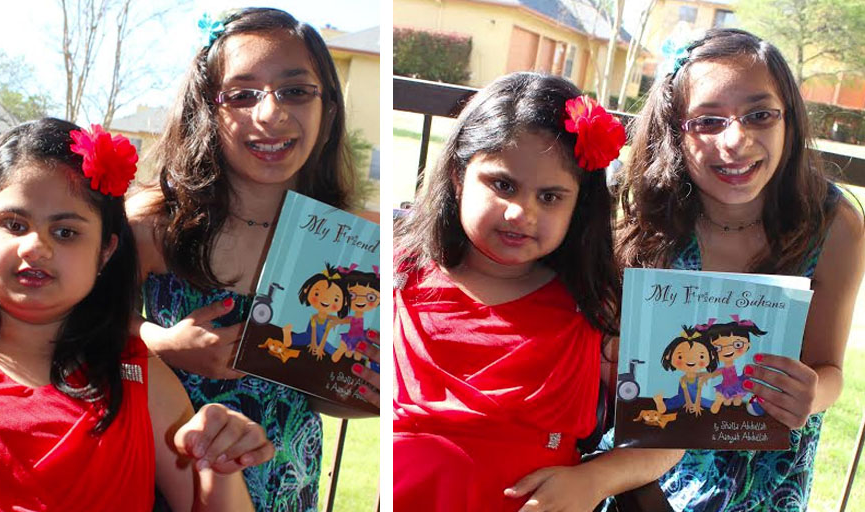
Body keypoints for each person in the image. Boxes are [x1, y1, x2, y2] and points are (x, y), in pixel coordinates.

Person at [0, 118, 274, 512]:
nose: (36, 247)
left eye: (66, 232)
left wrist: (219, 464)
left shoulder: (142, 382)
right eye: (13, 224)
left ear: (105, 251)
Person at [126, 8, 377, 511]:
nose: (271, 114)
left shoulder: (345, 244)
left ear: (327, 112)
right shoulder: (152, 224)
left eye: (296, 91)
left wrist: (360, 392)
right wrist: (165, 343)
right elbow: (80, 324)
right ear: (206, 110)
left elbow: (317, 393)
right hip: (168, 481)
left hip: (287, 486)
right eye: (241, 95)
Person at [608, 28, 865, 511]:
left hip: (764, 483)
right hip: (644, 475)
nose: (737, 140)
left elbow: (830, 369)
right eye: (707, 120)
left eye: (760, 115)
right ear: (673, 130)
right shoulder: (641, 212)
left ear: (789, 120)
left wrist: (812, 394)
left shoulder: (833, 226)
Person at [392, 72, 630, 511]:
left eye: (551, 196)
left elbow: (669, 434)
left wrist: (595, 480)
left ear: (579, 207)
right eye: (503, 185)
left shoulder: (598, 308)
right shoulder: (398, 278)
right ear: (459, 176)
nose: (522, 212)